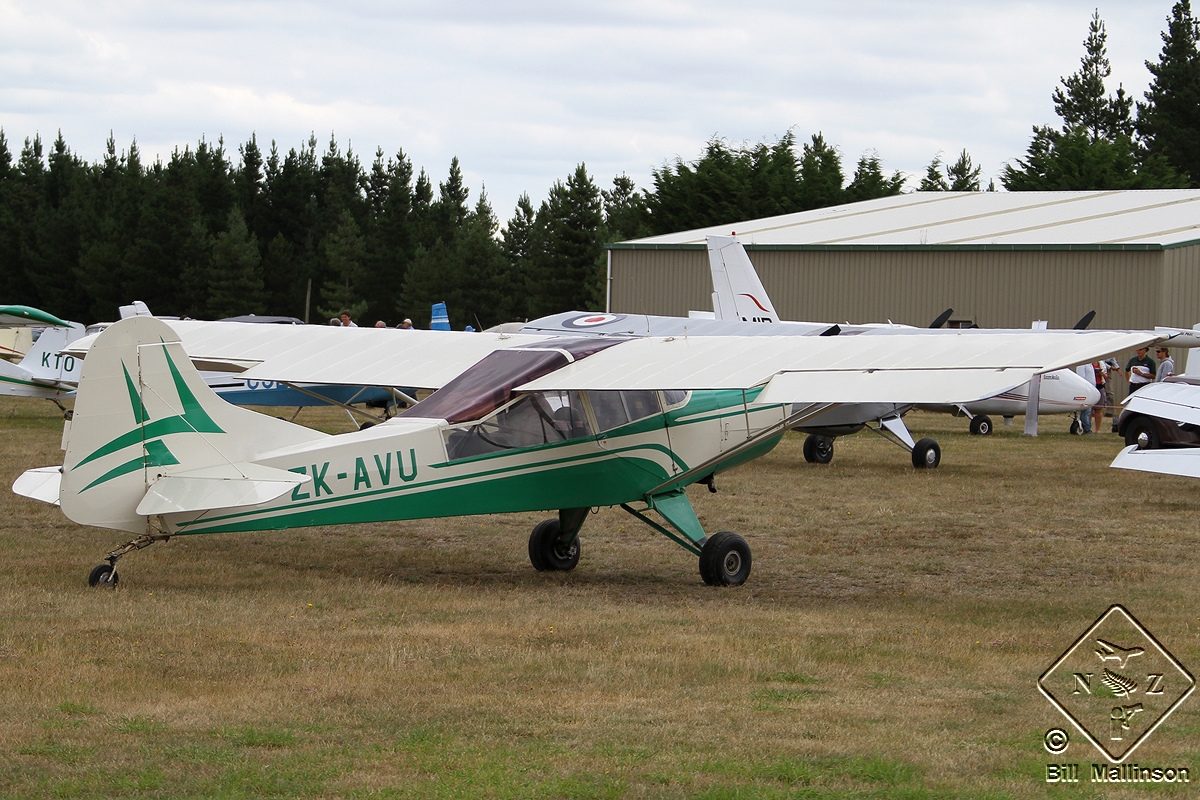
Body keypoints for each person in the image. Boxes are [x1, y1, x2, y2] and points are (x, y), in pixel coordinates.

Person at [1075, 362, 1095, 433]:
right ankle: (1086, 428)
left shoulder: (1090, 364)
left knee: (1088, 411)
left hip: (1091, 390)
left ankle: (1087, 427)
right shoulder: (1081, 364)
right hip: (1086, 390)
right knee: (1086, 411)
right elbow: (1081, 378)